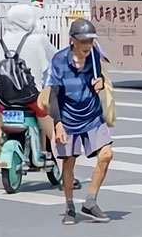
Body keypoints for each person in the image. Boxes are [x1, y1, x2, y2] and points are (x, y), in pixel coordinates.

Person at [0, 4, 73, 191]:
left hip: (6, 100)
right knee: (54, 131)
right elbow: (57, 59)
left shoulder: (1, 41)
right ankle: (65, 175)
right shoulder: (39, 39)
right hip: (32, 98)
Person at [47, 18, 113, 225]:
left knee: (107, 154)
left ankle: (91, 201)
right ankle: (69, 206)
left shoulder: (94, 56)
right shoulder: (59, 60)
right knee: (69, 162)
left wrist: (100, 82)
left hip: (92, 115)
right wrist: (58, 123)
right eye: (84, 41)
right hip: (68, 118)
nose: (88, 45)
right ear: (73, 40)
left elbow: (100, 76)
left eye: (91, 41)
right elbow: (53, 94)